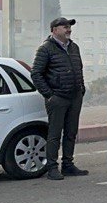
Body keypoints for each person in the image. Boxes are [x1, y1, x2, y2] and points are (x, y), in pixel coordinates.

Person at [30, 16, 89, 180]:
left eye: (69, 26)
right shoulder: (45, 49)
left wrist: (81, 88)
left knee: (71, 132)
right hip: (58, 97)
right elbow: (36, 74)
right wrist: (49, 95)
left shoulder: (74, 47)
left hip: (75, 96)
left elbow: (79, 69)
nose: (68, 29)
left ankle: (68, 165)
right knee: (55, 134)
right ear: (54, 30)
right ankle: (52, 167)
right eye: (64, 26)